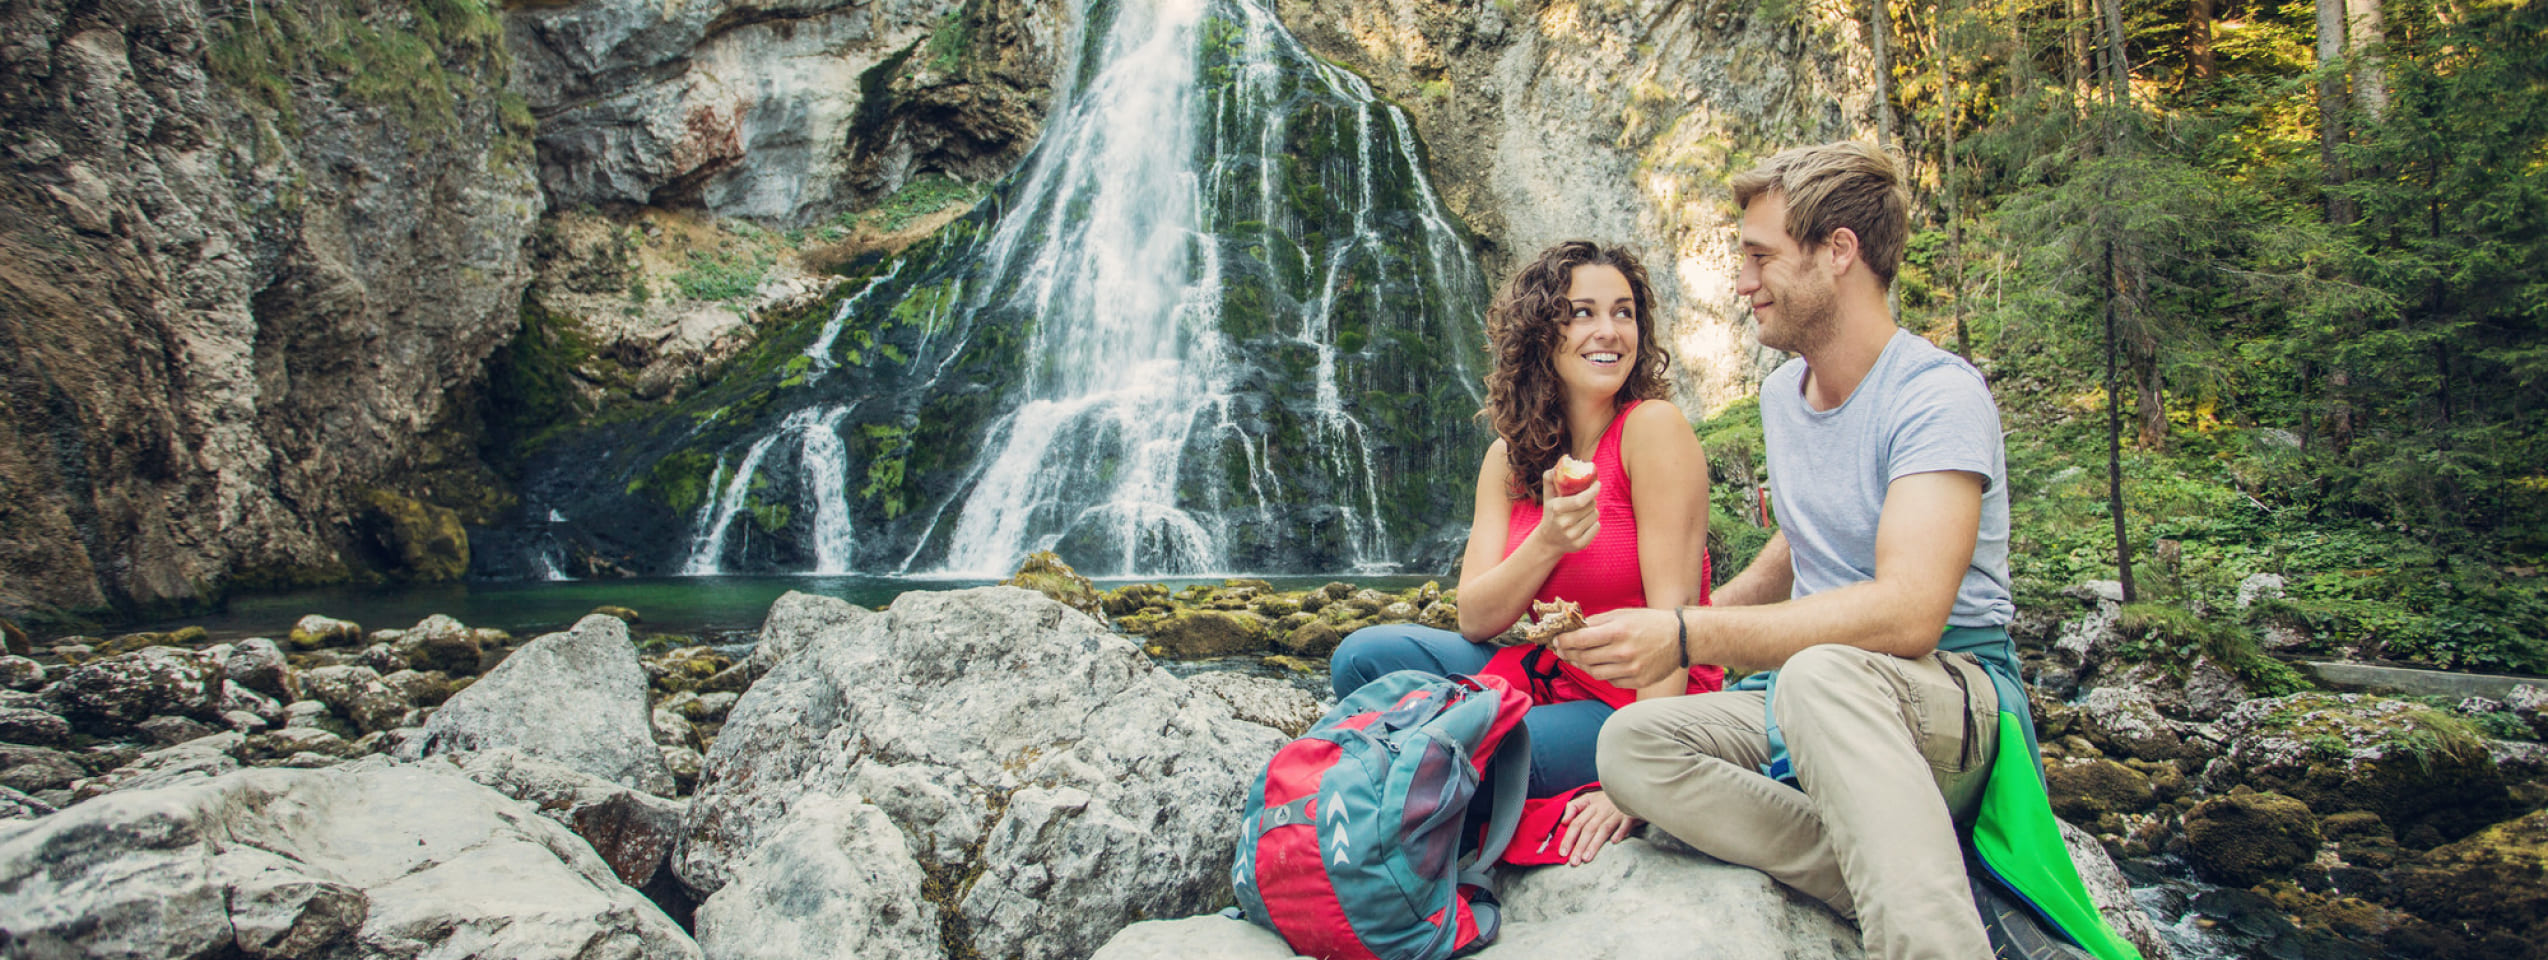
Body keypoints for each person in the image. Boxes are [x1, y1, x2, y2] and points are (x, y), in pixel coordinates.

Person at [1550, 141, 2023, 959]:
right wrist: (1677, 619)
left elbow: (1911, 611)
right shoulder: (1783, 393)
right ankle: (1915, 890)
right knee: (1631, 744)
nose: (1741, 283)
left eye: (1761, 257)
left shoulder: (1936, 395)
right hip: (1808, 694)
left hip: (1951, 694)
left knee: (1819, 674)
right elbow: (1803, 538)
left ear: (1839, 252)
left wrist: (1694, 638)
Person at [1328, 240, 1721, 867]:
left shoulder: (1651, 430)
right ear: (1542, 331)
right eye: (1583, 312)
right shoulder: (1507, 461)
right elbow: (1476, 619)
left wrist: (1639, 778)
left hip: (1635, 704)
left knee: (1461, 760)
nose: (1609, 331)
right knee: (1361, 657)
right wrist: (1548, 540)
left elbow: (1676, 624)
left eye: (1624, 313)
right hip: (1544, 675)